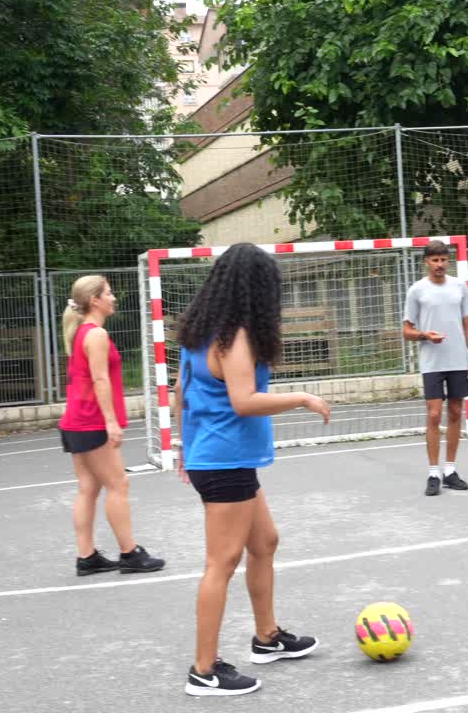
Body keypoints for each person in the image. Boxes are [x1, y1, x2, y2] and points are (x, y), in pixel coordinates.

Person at [172, 243, 329, 697]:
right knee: (221, 563)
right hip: (225, 460)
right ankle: (204, 670)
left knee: (265, 542)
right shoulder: (235, 335)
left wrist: (184, 447)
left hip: (220, 457)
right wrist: (302, 397)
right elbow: (243, 401)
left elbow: (183, 395)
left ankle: (267, 637)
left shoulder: (202, 332)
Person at [57, 275, 164, 576]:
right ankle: (130, 553)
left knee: (88, 488)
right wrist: (111, 422)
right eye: (109, 293)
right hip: (91, 421)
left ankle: (87, 556)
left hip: (75, 420)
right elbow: (100, 379)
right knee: (118, 485)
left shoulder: (83, 333)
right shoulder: (96, 335)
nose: (113, 297)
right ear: (95, 300)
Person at [403, 240, 468, 497]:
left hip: (458, 361)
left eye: (443, 260)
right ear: (426, 262)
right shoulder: (417, 291)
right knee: (435, 415)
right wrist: (425, 335)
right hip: (432, 363)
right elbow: (406, 330)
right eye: (434, 260)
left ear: (448, 261)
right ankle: (433, 472)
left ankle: (450, 470)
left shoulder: (459, 286)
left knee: (456, 412)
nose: (439, 265)